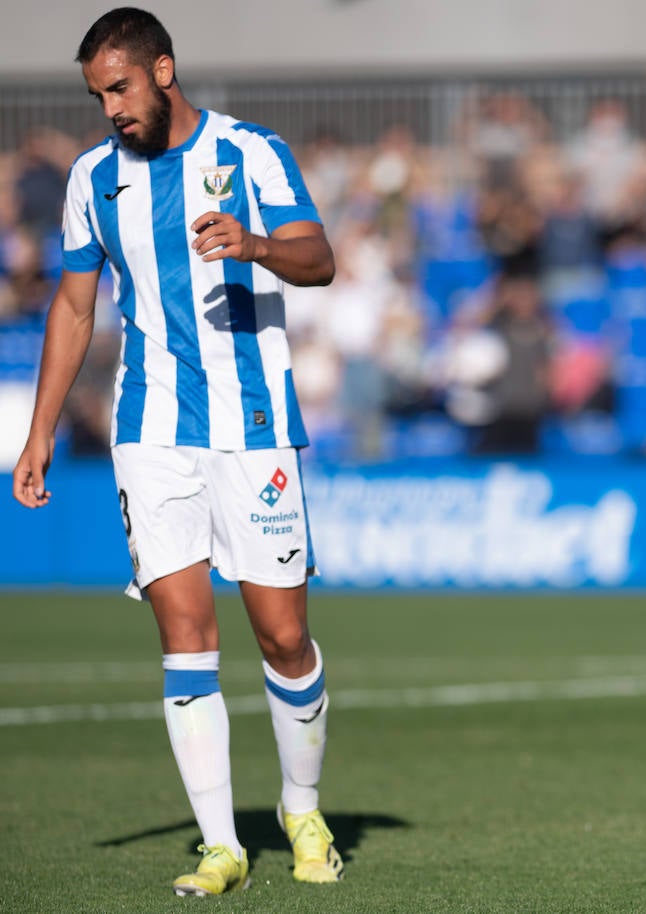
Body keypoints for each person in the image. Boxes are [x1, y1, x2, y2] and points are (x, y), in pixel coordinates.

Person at [10, 8, 346, 895]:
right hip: (150, 431)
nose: (112, 109)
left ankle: (302, 810)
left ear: (163, 70)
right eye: (97, 96)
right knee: (184, 633)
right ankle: (220, 846)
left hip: (254, 426)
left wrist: (256, 244)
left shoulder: (250, 153)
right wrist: (38, 432)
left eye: (120, 88)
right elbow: (76, 308)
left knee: (282, 636)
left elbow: (320, 260)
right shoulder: (92, 179)